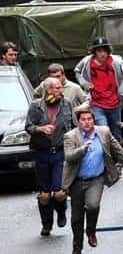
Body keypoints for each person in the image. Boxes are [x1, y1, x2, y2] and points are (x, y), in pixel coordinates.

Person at [62, 107, 123, 254]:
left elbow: (116, 149)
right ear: (78, 122)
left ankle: (91, 230)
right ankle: (77, 244)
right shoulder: (70, 136)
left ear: (94, 120)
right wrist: (81, 150)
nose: (87, 122)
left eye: (89, 119)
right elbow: (69, 157)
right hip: (77, 181)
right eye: (83, 120)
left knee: (93, 205)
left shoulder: (103, 132)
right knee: (76, 217)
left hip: (96, 179)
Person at [25, 77, 74, 236]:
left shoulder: (66, 104)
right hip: (42, 153)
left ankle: (61, 212)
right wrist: (41, 129)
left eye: (61, 88)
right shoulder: (36, 106)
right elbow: (28, 127)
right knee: (44, 195)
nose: (61, 91)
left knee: (59, 192)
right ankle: (46, 224)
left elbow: (72, 126)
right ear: (49, 90)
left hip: (60, 152)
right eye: (58, 88)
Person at [74, 37, 123, 141]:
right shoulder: (87, 61)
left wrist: (121, 90)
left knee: (116, 132)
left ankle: (117, 155)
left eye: (105, 50)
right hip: (97, 103)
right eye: (99, 51)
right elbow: (77, 71)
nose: (102, 53)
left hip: (114, 103)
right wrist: (84, 83)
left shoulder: (116, 61)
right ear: (94, 52)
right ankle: (106, 156)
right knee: (103, 131)